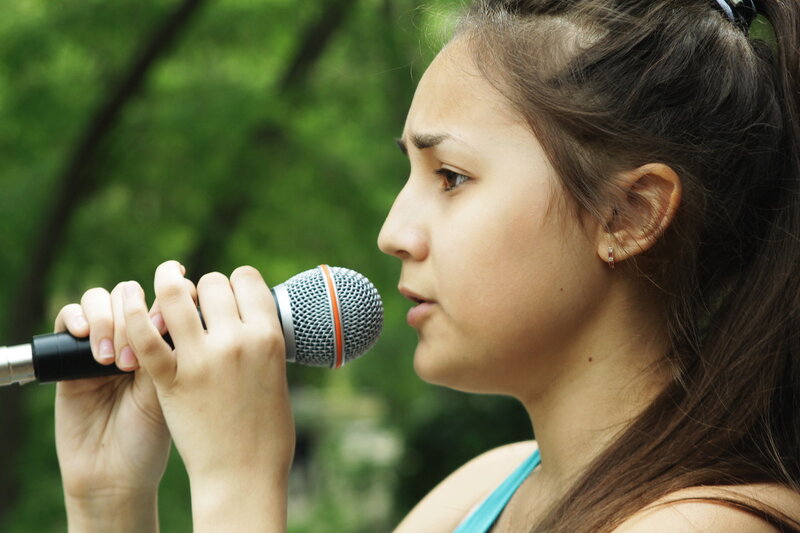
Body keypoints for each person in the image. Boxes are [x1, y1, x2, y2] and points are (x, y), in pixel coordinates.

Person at [52, 0, 800, 531]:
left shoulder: (708, 522)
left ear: (629, 215)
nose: (392, 231)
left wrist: (238, 486)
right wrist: (111, 500)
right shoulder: (480, 493)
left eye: (450, 177)